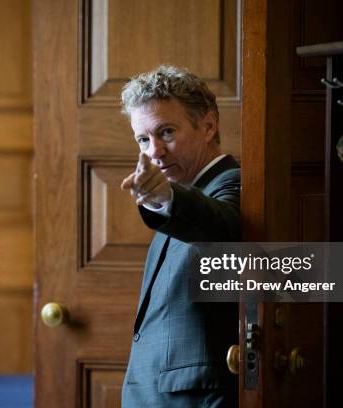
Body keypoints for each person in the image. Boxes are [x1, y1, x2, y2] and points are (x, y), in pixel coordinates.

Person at [120, 65, 241, 407]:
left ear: (208, 126)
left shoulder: (233, 183)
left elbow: (222, 229)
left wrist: (165, 199)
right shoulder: (181, 192)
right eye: (143, 139)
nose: (154, 151)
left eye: (167, 132)